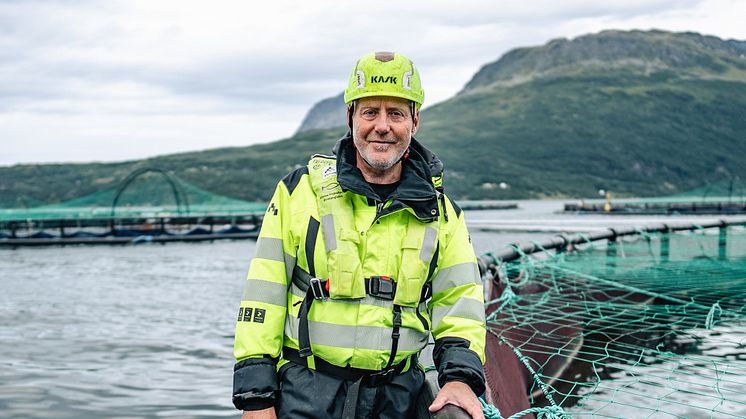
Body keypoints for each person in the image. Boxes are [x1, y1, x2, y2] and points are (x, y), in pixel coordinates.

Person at [232, 51, 486, 419]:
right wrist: (256, 398)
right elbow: (263, 293)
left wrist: (460, 380)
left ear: (415, 121)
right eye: (370, 112)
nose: (382, 126)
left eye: (396, 113)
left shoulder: (443, 213)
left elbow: (460, 303)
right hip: (306, 393)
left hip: (398, 397)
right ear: (350, 116)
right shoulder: (298, 193)